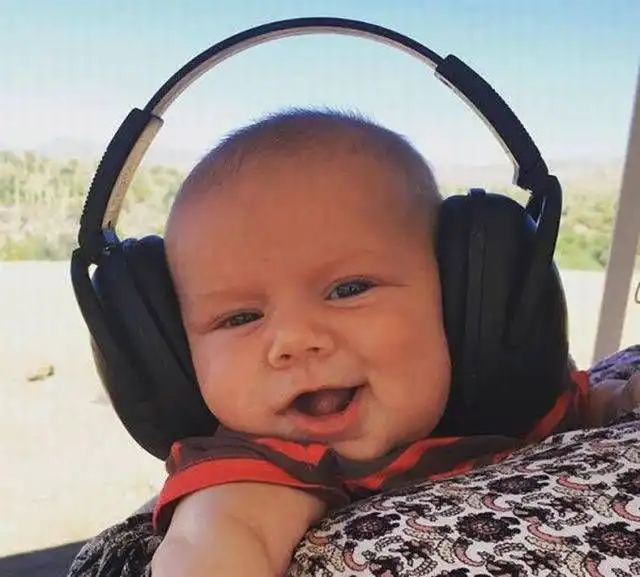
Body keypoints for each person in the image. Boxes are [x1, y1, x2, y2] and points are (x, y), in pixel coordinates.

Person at [137, 109, 640, 577]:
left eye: (348, 290)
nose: (294, 341)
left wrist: (617, 399)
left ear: (463, 299)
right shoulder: (258, 470)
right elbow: (216, 541)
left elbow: (580, 408)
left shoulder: (505, 395)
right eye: (240, 317)